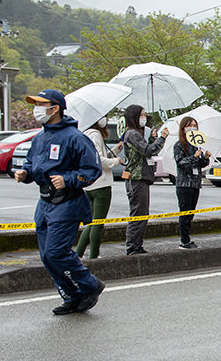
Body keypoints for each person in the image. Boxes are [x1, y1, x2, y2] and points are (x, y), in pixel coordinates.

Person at [15, 89, 105, 315]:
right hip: (44, 205)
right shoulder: (40, 138)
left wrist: (67, 179)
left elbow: (92, 170)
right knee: (47, 256)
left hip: (67, 204)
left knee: (56, 252)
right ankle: (72, 296)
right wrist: (25, 174)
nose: (37, 109)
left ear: (55, 108)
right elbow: (33, 165)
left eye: (41, 104)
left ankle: (91, 285)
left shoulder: (75, 138)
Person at [122, 104, 168, 255]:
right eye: (141, 115)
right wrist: (161, 138)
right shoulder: (132, 134)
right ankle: (132, 246)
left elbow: (146, 150)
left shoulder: (136, 134)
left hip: (141, 178)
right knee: (138, 214)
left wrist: (153, 138)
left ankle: (137, 245)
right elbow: (148, 150)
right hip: (136, 178)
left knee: (142, 213)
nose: (144, 117)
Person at [75, 116, 123, 259]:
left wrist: (115, 150)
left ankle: (79, 253)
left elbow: (96, 156)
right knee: (98, 223)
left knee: (92, 222)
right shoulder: (95, 134)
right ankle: (94, 255)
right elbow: (99, 160)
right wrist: (115, 161)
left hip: (89, 184)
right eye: (103, 117)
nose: (105, 120)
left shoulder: (84, 134)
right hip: (101, 183)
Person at [174, 116, 211, 249]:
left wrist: (205, 158)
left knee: (191, 212)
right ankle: (184, 240)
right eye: (189, 125)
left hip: (195, 183)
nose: (192, 128)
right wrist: (193, 157)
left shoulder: (196, 145)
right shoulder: (179, 145)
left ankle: (187, 238)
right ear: (183, 128)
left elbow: (200, 164)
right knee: (184, 212)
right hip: (184, 184)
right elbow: (181, 163)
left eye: (194, 125)